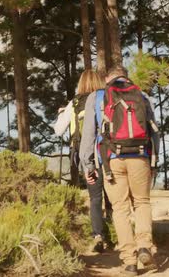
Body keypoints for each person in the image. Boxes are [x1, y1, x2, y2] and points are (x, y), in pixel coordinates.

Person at [79, 65, 160, 276]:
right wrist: (154, 160)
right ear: (126, 77)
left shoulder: (97, 97)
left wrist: (88, 165)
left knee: (120, 208)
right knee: (142, 202)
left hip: (111, 160)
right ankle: (144, 246)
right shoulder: (141, 94)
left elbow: (88, 134)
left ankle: (129, 261)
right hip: (140, 156)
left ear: (107, 79)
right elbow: (155, 131)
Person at [53, 70, 112, 253]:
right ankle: (115, 228)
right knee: (112, 193)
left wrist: (62, 113)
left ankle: (98, 235)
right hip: (107, 152)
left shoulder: (74, 103)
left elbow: (58, 131)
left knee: (95, 197)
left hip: (85, 155)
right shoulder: (105, 99)